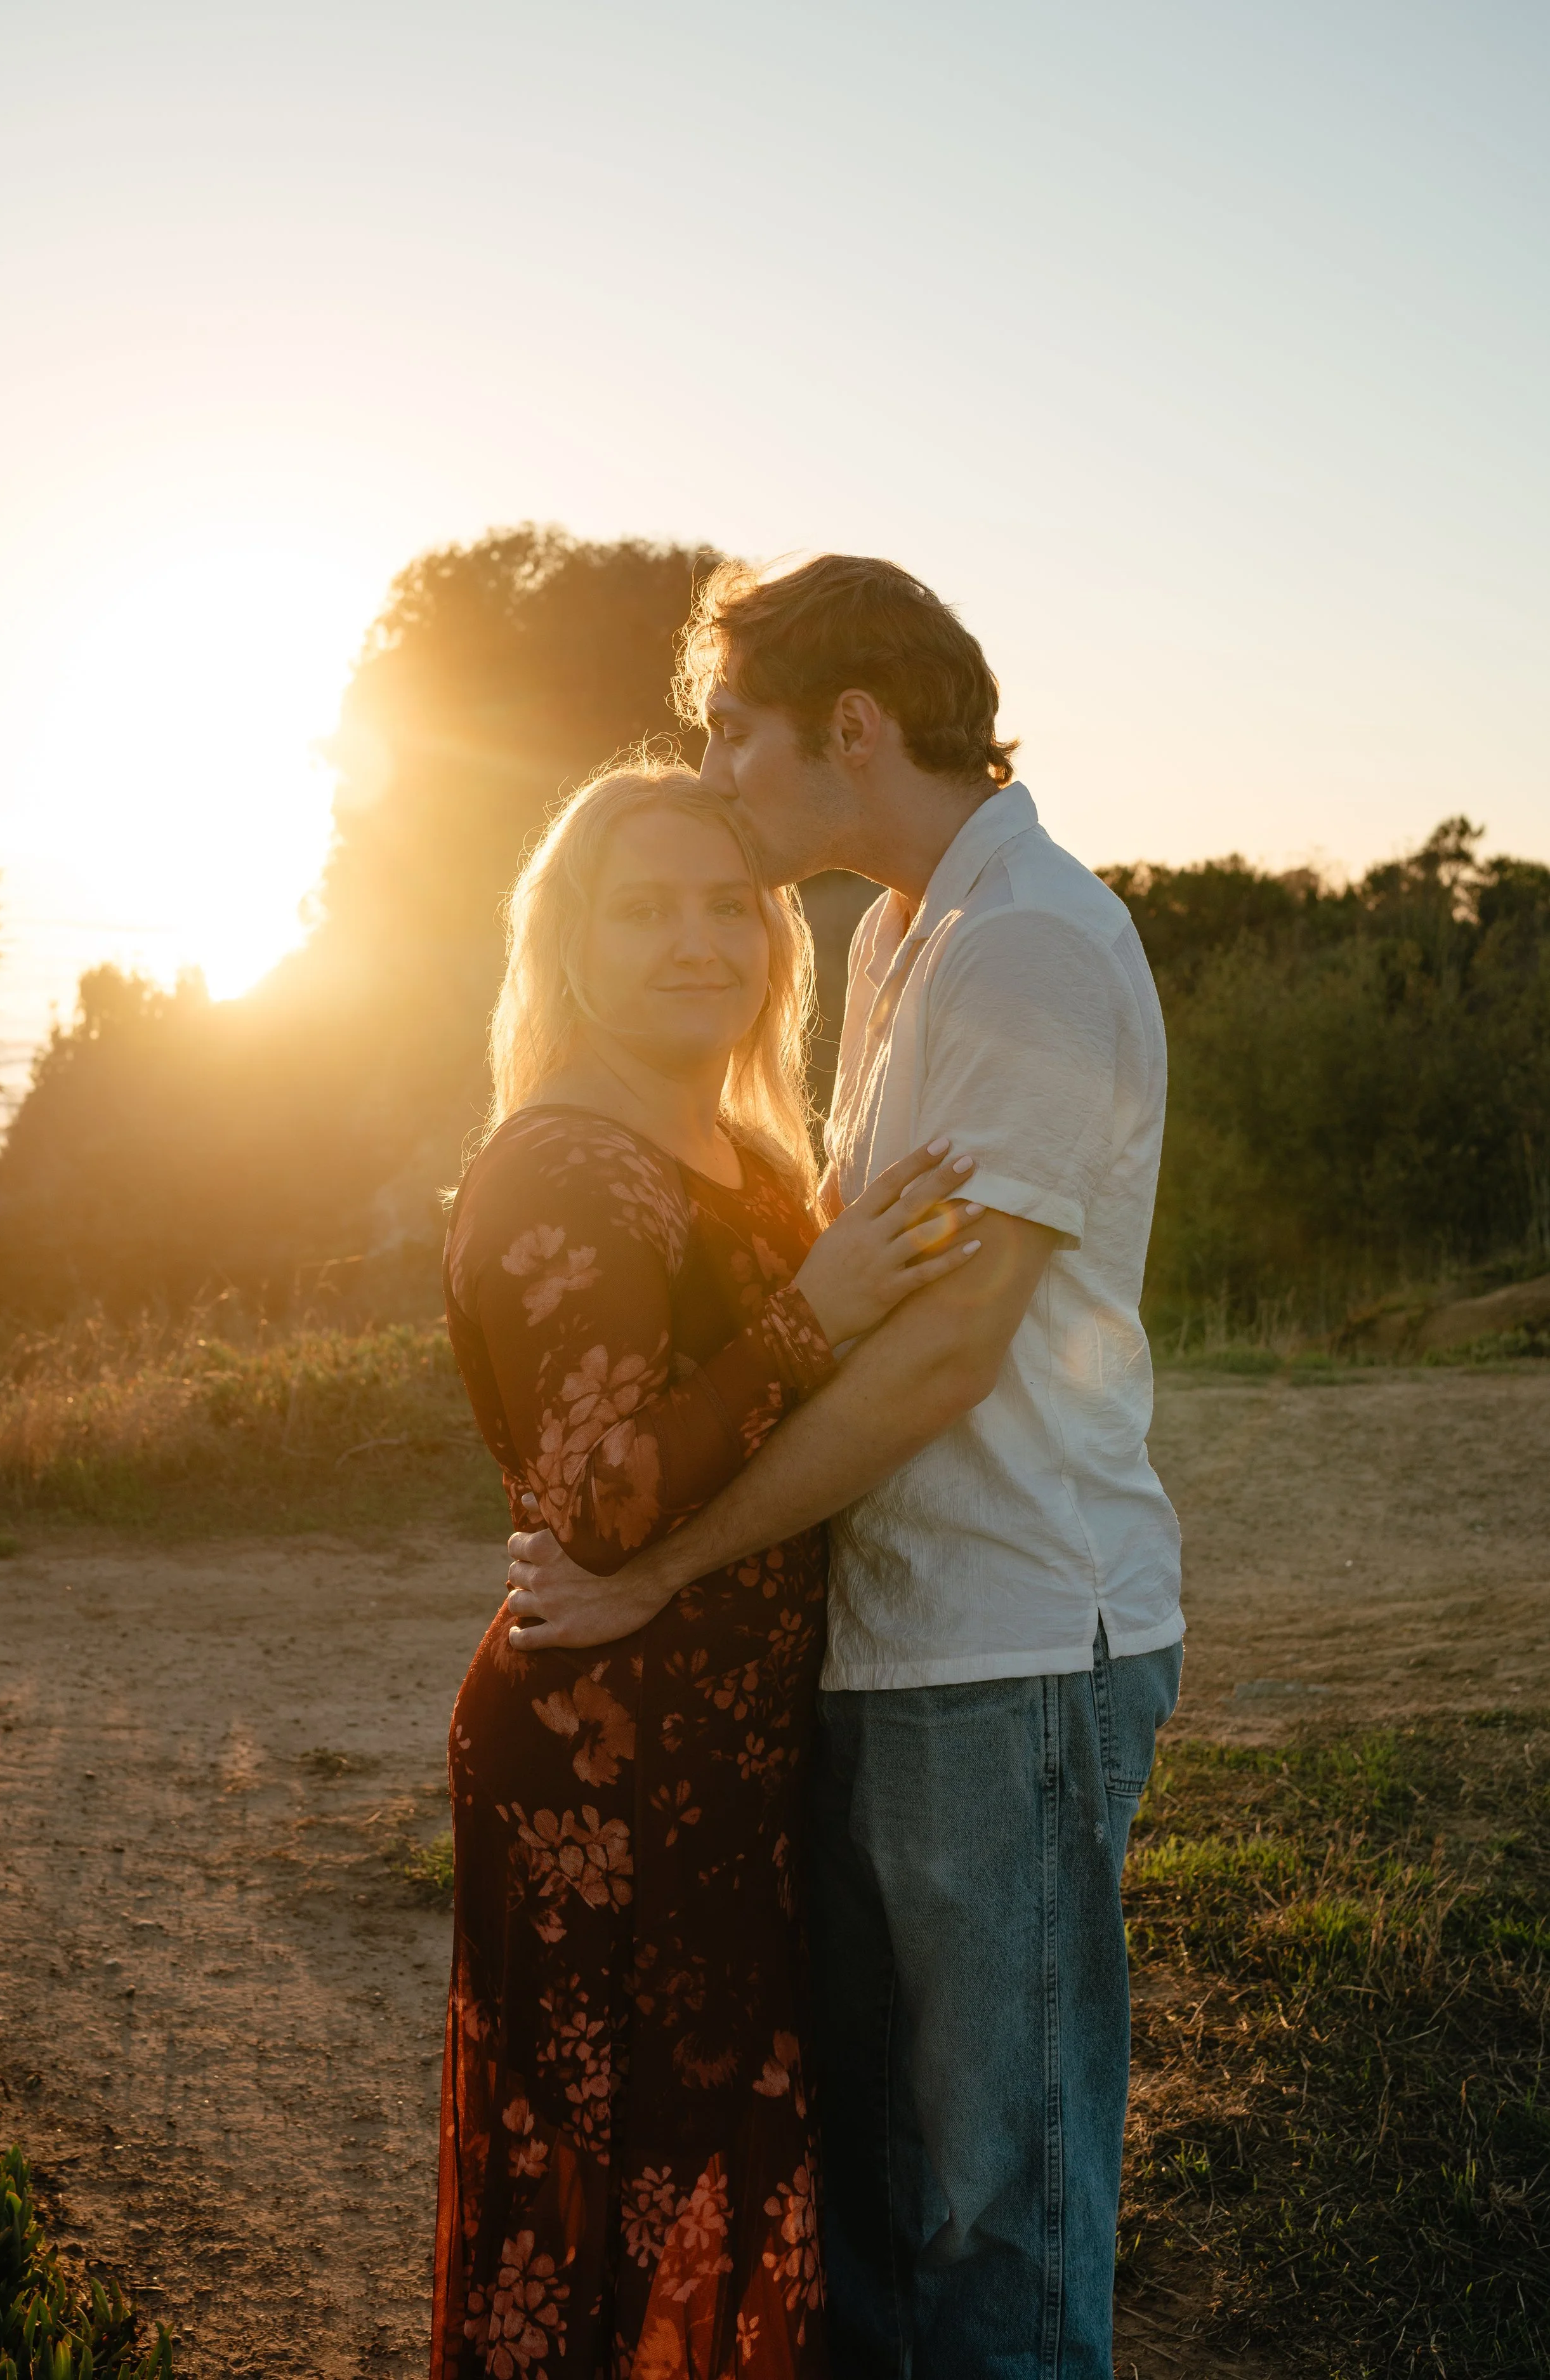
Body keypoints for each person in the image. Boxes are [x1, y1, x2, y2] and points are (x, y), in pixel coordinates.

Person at [506, 559, 1186, 2379]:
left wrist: (661, 1562)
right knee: (882, 2209)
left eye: (734, 729)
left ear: (855, 730)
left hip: (1013, 1645)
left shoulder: (1029, 941)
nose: (711, 764)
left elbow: (950, 1348)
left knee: (995, 2209)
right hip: (894, 1645)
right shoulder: (899, 938)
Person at [432, 759, 985, 2380]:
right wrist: (818, 1307)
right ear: (572, 943)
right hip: (601, 1766)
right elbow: (601, 1499)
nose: (696, 939)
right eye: (642, 907)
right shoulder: (561, 1164)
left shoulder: (743, 1158)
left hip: (725, 1760)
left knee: (719, 2171)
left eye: (724, 903)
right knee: (611, 2200)